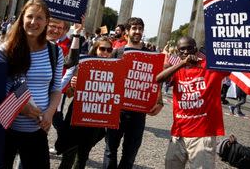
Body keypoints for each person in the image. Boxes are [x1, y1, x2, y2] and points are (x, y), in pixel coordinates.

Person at [0, 0, 64, 168]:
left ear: (47, 21)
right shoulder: (5, 50)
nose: (34, 22)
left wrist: (49, 113)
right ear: (22, 18)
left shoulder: (55, 51)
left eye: (39, 18)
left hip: (37, 131)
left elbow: (56, 88)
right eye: (30, 16)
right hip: (5, 130)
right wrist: (20, 107)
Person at [156, 36, 228, 169]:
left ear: (195, 49)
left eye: (189, 48)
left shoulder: (211, 66)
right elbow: (158, 79)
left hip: (203, 135)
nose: (186, 52)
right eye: (182, 49)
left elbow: (239, 59)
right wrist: (182, 64)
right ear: (177, 52)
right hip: (178, 134)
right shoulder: (177, 69)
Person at [103, 17, 164, 169]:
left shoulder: (152, 54)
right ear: (127, 32)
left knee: (130, 155)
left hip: (139, 113)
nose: (137, 31)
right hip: (117, 111)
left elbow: (156, 80)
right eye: (134, 28)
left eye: (140, 28)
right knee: (110, 151)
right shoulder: (117, 52)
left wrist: (160, 100)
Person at [57, 36, 112, 169]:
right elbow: (69, 94)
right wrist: (73, 85)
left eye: (108, 50)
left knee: (83, 156)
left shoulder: (113, 69)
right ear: (95, 49)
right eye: (102, 49)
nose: (105, 52)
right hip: (77, 114)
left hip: (95, 118)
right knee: (69, 154)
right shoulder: (84, 64)